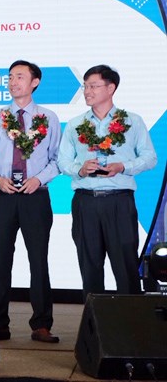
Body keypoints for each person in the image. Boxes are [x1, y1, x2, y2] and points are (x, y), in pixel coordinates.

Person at [57, 65, 156, 299]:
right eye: (85, 86)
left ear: (111, 88)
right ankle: (94, 320)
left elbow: (150, 158)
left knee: (125, 265)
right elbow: (62, 162)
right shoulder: (75, 124)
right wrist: (80, 169)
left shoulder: (132, 121)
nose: (87, 91)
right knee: (89, 266)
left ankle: (131, 319)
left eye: (93, 86)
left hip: (119, 202)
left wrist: (123, 166)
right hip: (85, 202)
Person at [0, 61, 61, 343]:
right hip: (3, 197)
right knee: (1, 262)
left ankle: (41, 324)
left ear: (35, 82)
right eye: (10, 77)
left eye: (20, 76)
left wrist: (39, 179)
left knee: (38, 261)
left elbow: (58, 159)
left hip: (35, 197)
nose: (13, 82)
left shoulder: (49, 118)